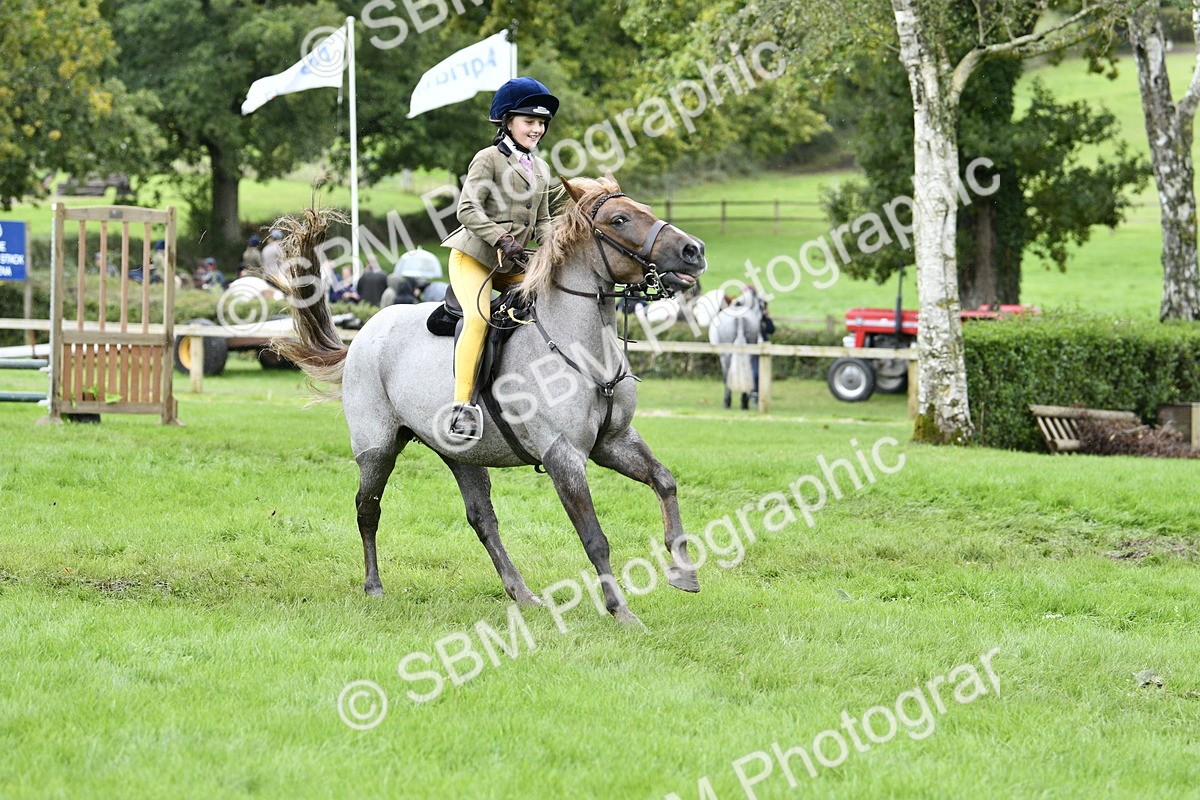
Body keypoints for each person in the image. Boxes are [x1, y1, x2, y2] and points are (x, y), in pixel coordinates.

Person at [439, 76, 557, 440]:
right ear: (507, 121)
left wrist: (556, 253)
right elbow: (467, 209)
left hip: (514, 264)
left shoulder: (541, 169)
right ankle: (461, 408)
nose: (537, 129)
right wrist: (502, 238)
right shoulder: (487, 159)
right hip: (474, 258)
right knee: (479, 318)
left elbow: (544, 222)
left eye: (541, 123)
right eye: (529, 121)